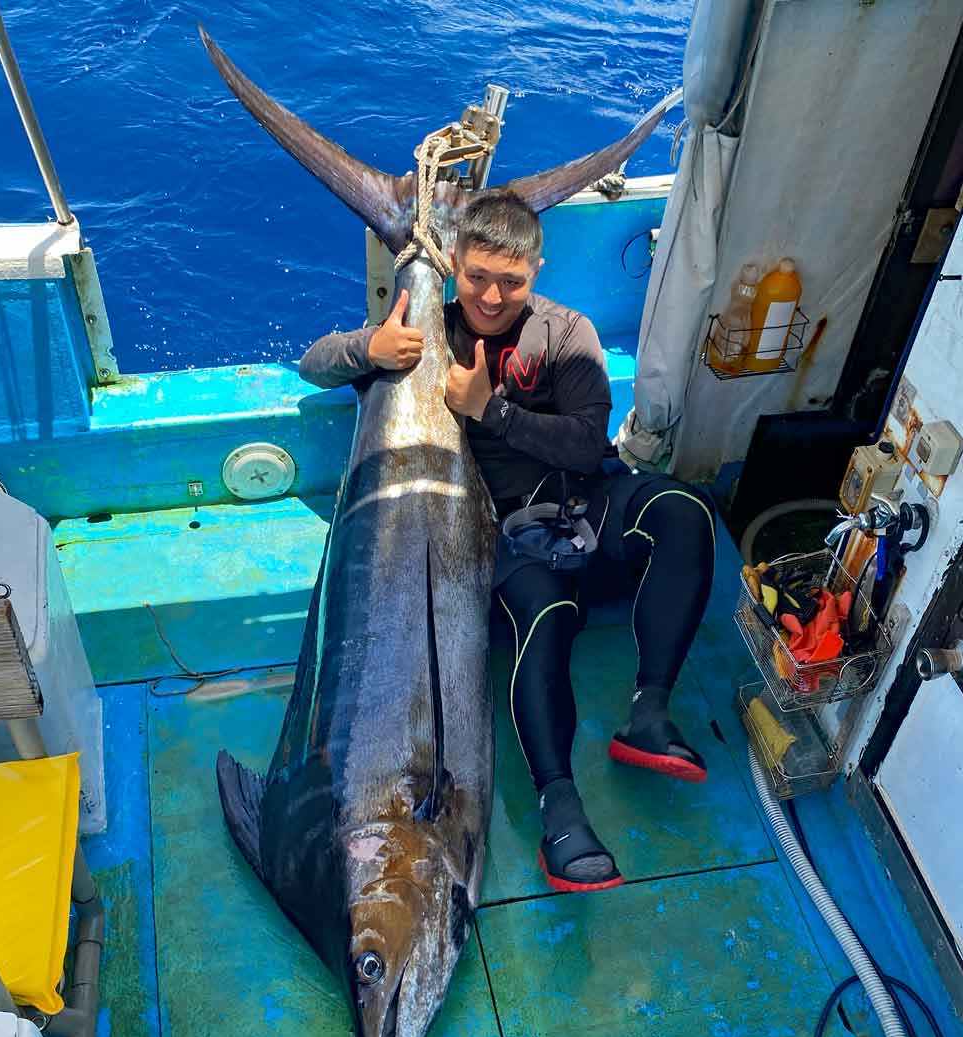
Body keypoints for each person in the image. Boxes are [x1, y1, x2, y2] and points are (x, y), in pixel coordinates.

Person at [298, 191, 715, 893]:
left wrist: (489, 410)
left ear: (537, 271)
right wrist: (364, 349)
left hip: (592, 498)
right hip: (509, 529)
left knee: (683, 508)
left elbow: (587, 445)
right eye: (477, 277)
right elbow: (315, 363)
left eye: (512, 281)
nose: (492, 296)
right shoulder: (424, 332)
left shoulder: (567, 333)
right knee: (544, 619)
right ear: (455, 265)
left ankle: (650, 712)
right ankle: (561, 810)